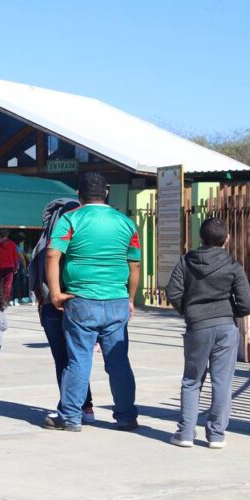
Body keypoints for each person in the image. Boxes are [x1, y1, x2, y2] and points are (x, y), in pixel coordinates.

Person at [44, 172, 141, 433]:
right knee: (119, 362)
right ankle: (126, 416)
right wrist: (130, 298)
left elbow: (53, 254)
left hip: (81, 301)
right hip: (117, 301)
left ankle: (71, 417)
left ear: (79, 194)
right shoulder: (126, 223)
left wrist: (55, 293)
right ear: (106, 193)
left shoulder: (71, 218)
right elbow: (134, 264)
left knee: (78, 360)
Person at [166, 217, 250, 449]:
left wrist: (189, 310)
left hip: (197, 327)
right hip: (226, 327)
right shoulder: (233, 267)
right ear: (226, 240)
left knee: (192, 380)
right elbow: (247, 304)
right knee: (222, 382)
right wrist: (229, 311)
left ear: (200, 239)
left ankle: (185, 433)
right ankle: (216, 435)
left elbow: (173, 292)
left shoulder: (186, 262)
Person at [27, 197, 96, 424]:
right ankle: (85, 407)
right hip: (81, 302)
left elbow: (38, 274)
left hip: (55, 305)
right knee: (78, 359)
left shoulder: (46, 241)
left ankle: (71, 408)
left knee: (64, 360)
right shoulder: (84, 238)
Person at [0, 231, 18, 304]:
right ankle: (5, 300)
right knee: (8, 285)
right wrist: (15, 268)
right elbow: (15, 257)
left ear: (0, 234)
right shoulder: (12, 244)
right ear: (8, 234)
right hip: (9, 267)